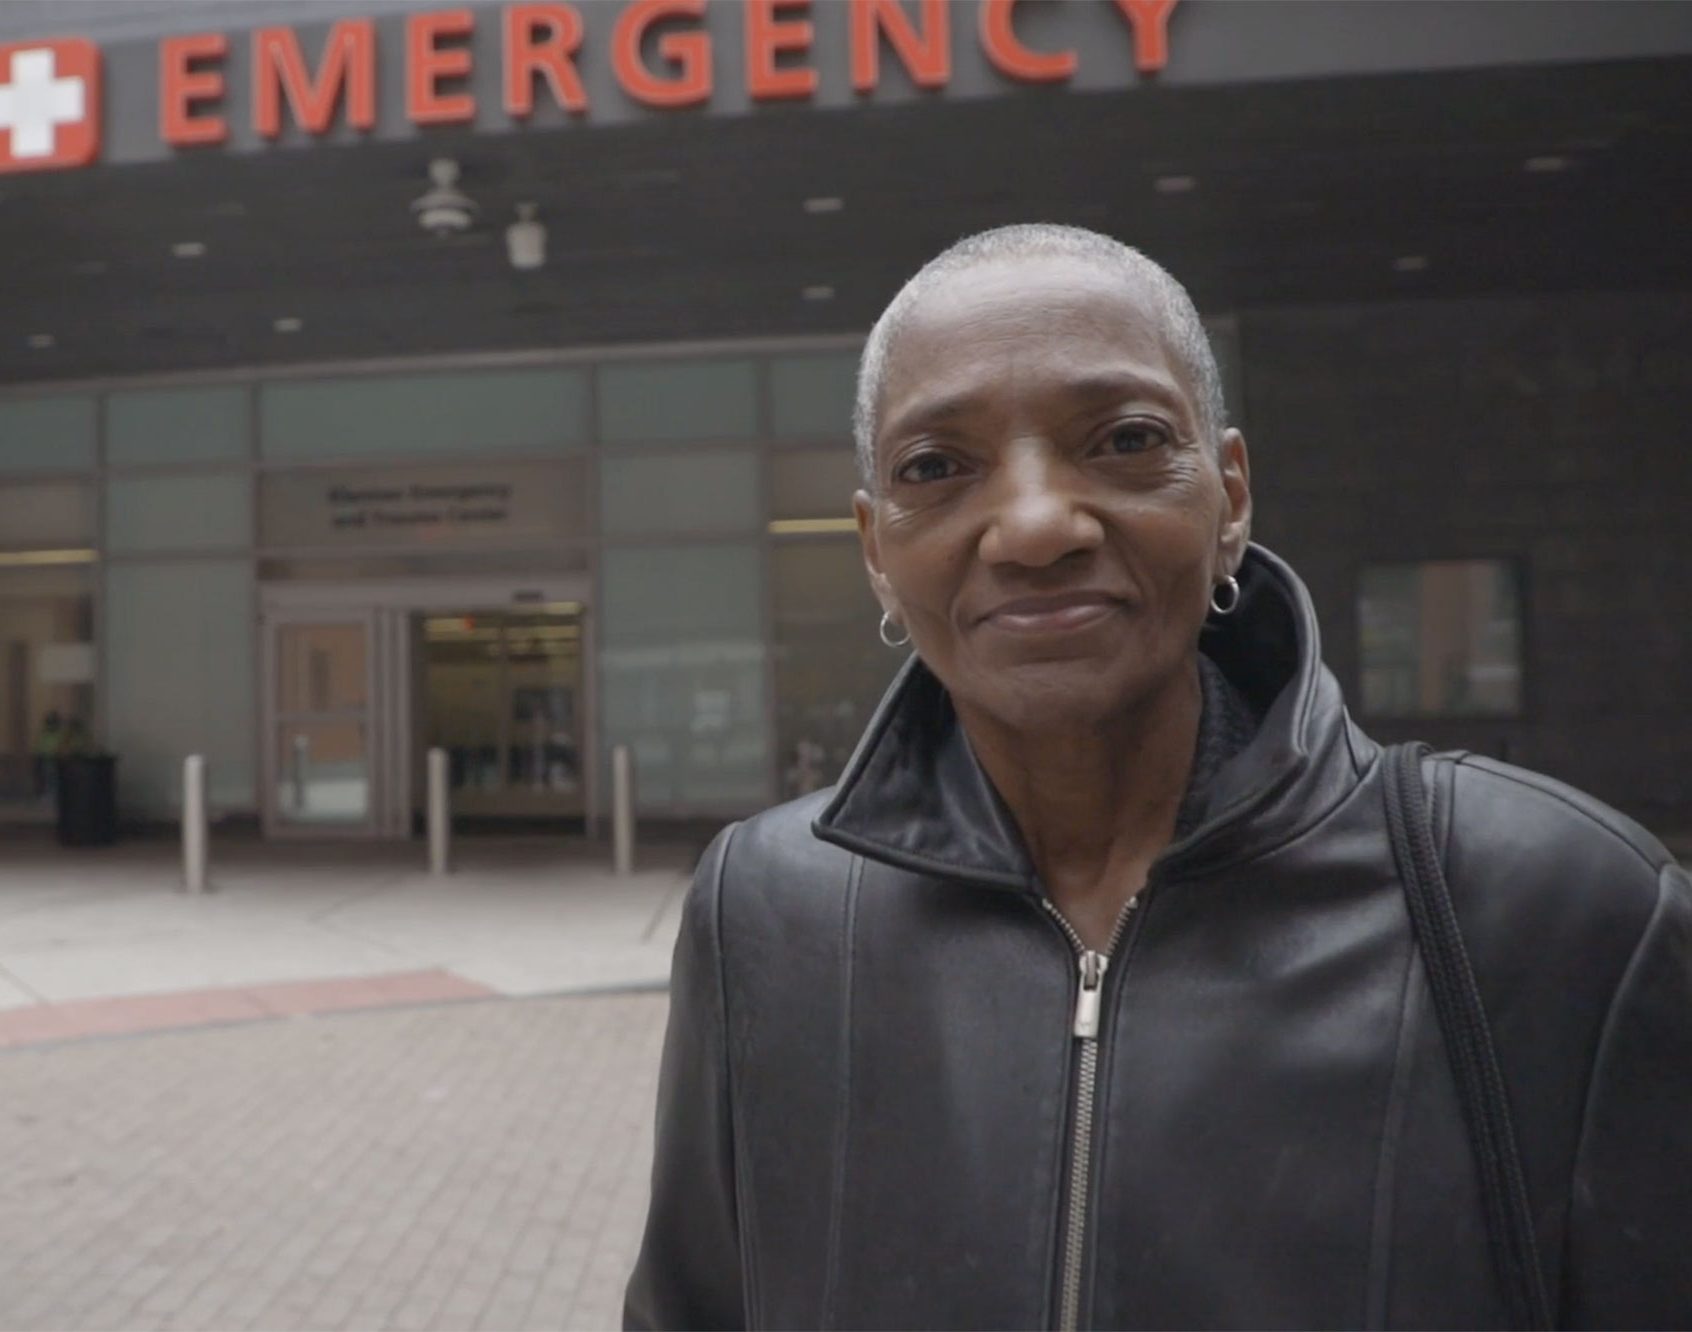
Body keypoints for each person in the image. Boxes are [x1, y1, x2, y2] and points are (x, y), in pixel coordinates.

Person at [624, 225, 1691, 1329]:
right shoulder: (767, 910)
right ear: (874, 551)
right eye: (934, 467)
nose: (1034, 526)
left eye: (1124, 439)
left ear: (1228, 495)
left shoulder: (1558, 908)